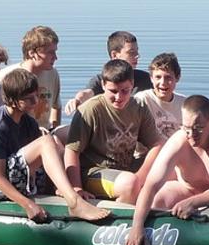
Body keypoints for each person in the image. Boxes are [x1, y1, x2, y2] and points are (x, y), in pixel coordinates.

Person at [0, 68, 110, 222]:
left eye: (36, 96)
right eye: (29, 98)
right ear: (12, 100)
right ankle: (74, 203)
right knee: (46, 141)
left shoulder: (28, 122)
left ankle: (71, 191)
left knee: (54, 141)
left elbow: (41, 161)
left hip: (19, 175)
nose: (35, 102)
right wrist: (28, 205)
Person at [125, 95, 209, 245]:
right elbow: (151, 185)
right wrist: (137, 226)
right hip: (186, 189)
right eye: (186, 128)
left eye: (198, 128)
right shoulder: (178, 141)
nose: (191, 134)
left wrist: (193, 202)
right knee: (158, 199)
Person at [65, 59, 164, 204]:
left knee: (172, 165)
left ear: (132, 85)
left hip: (127, 167)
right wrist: (76, 188)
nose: (119, 97)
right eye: (113, 91)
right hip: (95, 171)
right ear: (103, 85)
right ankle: (123, 214)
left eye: (125, 91)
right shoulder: (90, 110)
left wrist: (141, 176)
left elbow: (157, 144)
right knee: (129, 183)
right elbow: (72, 151)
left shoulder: (139, 107)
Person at [64, 31, 152, 115]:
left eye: (137, 51)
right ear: (114, 55)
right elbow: (87, 93)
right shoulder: (103, 79)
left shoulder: (146, 78)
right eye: (131, 52)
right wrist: (77, 100)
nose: (137, 56)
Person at [0, 26, 61, 130]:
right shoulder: (7, 76)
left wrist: (55, 129)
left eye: (55, 52)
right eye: (50, 52)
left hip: (44, 131)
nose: (55, 57)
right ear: (32, 53)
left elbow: (56, 106)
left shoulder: (52, 74)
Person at [134, 53, 186, 137]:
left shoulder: (184, 104)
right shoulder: (142, 100)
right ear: (151, 78)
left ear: (177, 78)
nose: (163, 83)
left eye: (168, 77)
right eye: (158, 77)